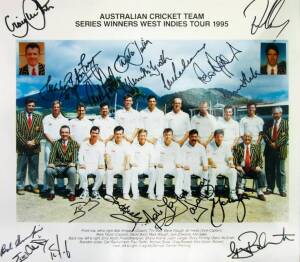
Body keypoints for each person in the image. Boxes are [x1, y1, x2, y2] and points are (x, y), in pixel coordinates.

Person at [16, 99, 44, 195]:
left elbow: (41, 132)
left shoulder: (38, 117)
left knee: (34, 168)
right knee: (21, 168)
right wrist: (26, 142)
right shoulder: (18, 116)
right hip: (22, 147)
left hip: (34, 147)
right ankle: (20, 186)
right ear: (26, 106)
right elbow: (17, 132)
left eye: (33, 105)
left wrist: (34, 141)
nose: (31, 107)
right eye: (29, 105)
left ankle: (34, 186)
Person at [45, 125, 78, 201]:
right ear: (60, 133)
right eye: (62, 132)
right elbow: (52, 154)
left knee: (73, 170)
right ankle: (51, 191)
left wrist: (73, 162)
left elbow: (75, 155)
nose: (64, 134)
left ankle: (71, 192)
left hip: (68, 168)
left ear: (69, 133)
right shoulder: (56, 143)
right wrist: (51, 163)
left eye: (66, 132)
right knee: (48, 170)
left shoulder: (74, 143)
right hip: (57, 167)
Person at [42, 100, 69, 190]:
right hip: (49, 144)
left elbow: (66, 133)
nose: (56, 109)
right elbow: (45, 132)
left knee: (60, 165)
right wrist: (53, 142)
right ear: (52, 108)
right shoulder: (46, 118)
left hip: (61, 145)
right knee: (47, 164)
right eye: (54, 107)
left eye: (58, 107)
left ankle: (60, 185)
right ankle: (47, 186)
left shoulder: (65, 120)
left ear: (60, 108)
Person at [263, 107, 288, 197]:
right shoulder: (268, 123)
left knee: (280, 171)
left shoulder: (286, 123)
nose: (275, 115)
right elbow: (264, 134)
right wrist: (270, 143)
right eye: (273, 113)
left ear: (281, 113)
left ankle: (282, 189)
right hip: (269, 150)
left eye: (277, 113)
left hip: (280, 150)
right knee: (269, 170)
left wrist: (276, 144)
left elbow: (286, 136)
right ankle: (270, 188)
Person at [234, 132, 266, 201]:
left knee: (261, 172)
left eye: (249, 137)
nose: (247, 138)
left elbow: (260, 160)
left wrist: (259, 166)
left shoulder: (256, 147)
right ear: (243, 138)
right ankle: (240, 191)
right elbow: (235, 159)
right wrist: (237, 166)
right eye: (246, 136)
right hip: (242, 169)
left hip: (252, 168)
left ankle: (260, 191)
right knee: (236, 172)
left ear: (251, 138)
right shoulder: (238, 146)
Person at [207, 129, 238, 200]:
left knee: (233, 171)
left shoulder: (226, 145)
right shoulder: (210, 145)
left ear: (223, 137)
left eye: (221, 137)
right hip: (214, 166)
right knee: (212, 171)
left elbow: (229, 156)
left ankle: (232, 193)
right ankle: (211, 193)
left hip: (224, 166)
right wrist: (212, 163)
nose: (219, 138)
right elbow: (208, 157)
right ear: (214, 137)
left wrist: (230, 163)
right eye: (217, 137)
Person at [155, 128, 183, 200]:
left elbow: (179, 158)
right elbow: (155, 158)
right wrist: (158, 163)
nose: (167, 136)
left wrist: (178, 164)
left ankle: (178, 193)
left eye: (169, 135)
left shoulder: (176, 146)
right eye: (166, 135)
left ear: (172, 136)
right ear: (163, 135)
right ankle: (159, 194)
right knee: (159, 171)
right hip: (162, 166)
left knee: (180, 172)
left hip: (173, 167)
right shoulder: (159, 145)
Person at [78, 126, 105, 199]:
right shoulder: (84, 144)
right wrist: (81, 163)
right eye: (93, 132)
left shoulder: (101, 144)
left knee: (102, 172)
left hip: (96, 166)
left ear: (98, 134)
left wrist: (101, 164)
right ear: (90, 133)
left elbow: (102, 156)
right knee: (81, 171)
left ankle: (95, 190)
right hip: (86, 166)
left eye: (96, 133)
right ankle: (85, 190)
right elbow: (80, 155)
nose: (94, 134)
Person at [105, 126, 132, 199]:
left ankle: (125, 193)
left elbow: (128, 155)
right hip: (113, 166)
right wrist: (109, 164)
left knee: (128, 172)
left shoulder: (127, 144)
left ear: (123, 135)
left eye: (120, 134)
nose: (118, 136)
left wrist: (127, 165)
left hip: (122, 166)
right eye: (117, 134)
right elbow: (107, 155)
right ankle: (109, 194)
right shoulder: (109, 143)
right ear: (114, 134)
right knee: (109, 172)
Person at [129, 129, 156, 200]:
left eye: (144, 136)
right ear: (137, 137)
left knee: (153, 171)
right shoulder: (133, 146)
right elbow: (131, 157)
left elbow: (153, 157)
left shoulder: (150, 146)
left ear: (146, 136)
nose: (142, 137)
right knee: (133, 170)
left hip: (147, 167)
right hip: (137, 167)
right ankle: (135, 193)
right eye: (141, 136)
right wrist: (132, 163)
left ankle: (150, 193)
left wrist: (151, 164)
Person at [181, 129, 208, 199]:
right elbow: (181, 159)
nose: (194, 138)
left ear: (197, 137)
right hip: (188, 167)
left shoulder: (201, 147)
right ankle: (188, 193)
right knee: (185, 172)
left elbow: (204, 158)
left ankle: (203, 192)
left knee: (205, 171)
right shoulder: (184, 147)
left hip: (197, 167)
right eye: (192, 137)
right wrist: (184, 165)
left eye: (195, 137)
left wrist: (205, 165)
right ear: (189, 137)